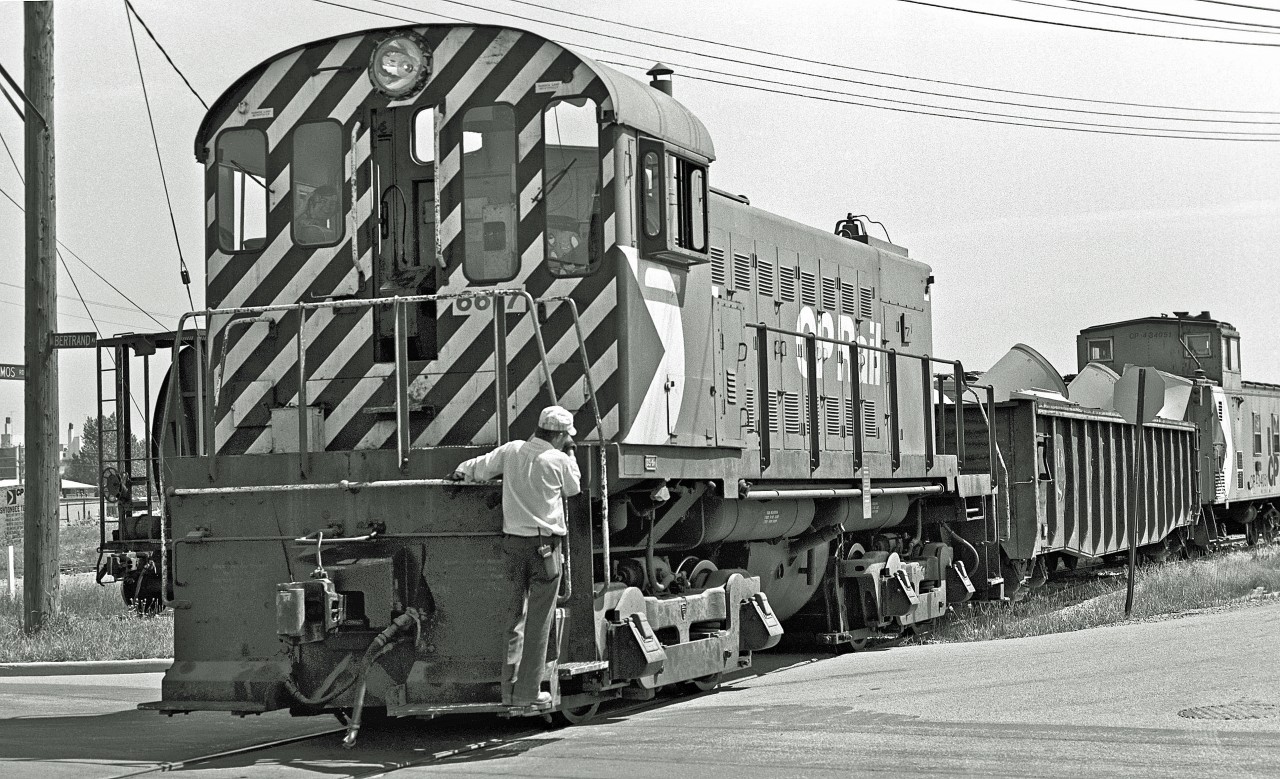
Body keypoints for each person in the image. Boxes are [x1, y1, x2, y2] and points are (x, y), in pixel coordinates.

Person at [450, 406, 582, 708]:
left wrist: (462, 471)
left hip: (513, 546)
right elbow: (573, 488)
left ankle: (508, 690)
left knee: (513, 619)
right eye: (566, 437)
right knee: (539, 621)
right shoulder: (559, 459)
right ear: (561, 436)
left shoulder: (512, 450)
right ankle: (528, 693)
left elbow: (479, 467)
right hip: (544, 549)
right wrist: (571, 453)